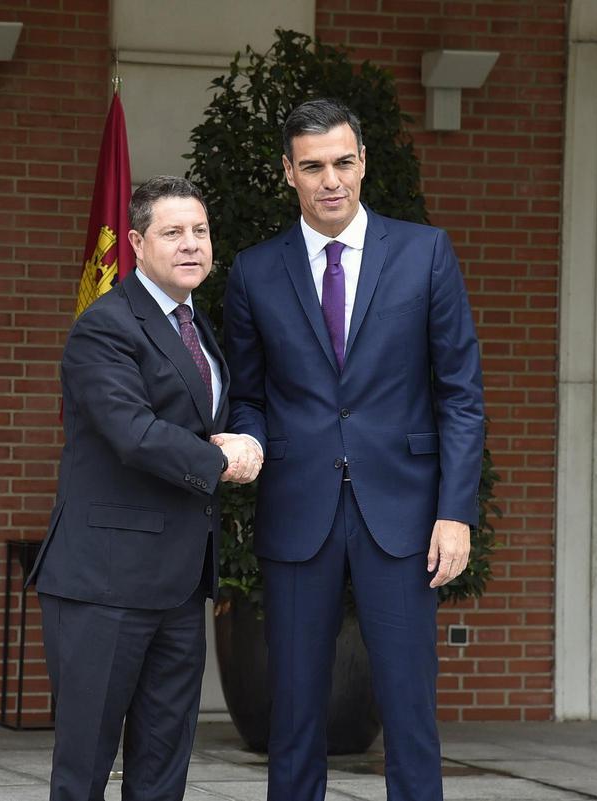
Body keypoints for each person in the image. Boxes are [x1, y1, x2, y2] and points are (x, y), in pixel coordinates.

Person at [223, 99, 484, 801]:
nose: (330, 179)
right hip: (298, 506)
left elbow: (459, 391)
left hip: (401, 511)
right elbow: (246, 392)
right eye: (312, 166)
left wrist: (455, 511)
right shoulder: (253, 272)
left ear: (363, 161)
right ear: (289, 173)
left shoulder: (426, 253)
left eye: (342, 162)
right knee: (295, 710)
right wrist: (247, 436)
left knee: (408, 707)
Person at [30, 175, 262, 801]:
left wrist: (248, 441)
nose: (191, 245)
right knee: (84, 769)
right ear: (135, 241)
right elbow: (132, 431)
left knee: (163, 767)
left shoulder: (198, 326)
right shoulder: (104, 327)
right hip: (104, 582)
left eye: (200, 231)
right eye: (172, 233)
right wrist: (221, 462)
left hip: (179, 584)